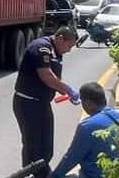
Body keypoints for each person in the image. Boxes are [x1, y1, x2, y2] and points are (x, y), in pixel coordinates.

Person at [6, 82, 119, 178]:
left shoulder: (88, 126)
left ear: (88, 103)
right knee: (87, 162)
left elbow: (71, 158)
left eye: (82, 102)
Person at [13, 25, 80, 168]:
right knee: (33, 146)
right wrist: (68, 90)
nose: (69, 50)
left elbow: (55, 79)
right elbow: (46, 76)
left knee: (46, 147)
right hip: (28, 103)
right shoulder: (41, 48)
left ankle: (42, 174)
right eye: (69, 46)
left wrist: (66, 93)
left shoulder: (57, 51)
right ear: (60, 39)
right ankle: (31, 177)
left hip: (42, 103)